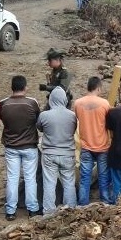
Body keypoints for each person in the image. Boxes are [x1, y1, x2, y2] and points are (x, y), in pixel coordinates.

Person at [0, 75, 42, 220]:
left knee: (12, 178)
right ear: (25, 87)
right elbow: (38, 120)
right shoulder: (32, 103)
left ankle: (10, 211)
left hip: (11, 146)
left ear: (12, 87)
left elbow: (3, 119)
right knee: (30, 178)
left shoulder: (3, 104)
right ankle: (33, 209)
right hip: (29, 146)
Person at [37, 87, 78, 215]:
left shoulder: (44, 115)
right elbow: (73, 129)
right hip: (68, 154)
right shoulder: (72, 115)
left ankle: (49, 212)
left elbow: (39, 127)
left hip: (49, 154)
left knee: (49, 183)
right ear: (65, 100)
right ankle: (70, 210)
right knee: (69, 183)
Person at [73, 77, 112, 205]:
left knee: (85, 177)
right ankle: (105, 202)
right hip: (103, 146)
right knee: (103, 176)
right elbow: (109, 122)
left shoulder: (78, 103)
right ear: (99, 88)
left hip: (86, 146)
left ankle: (83, 204)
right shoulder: (105, 104)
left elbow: (78, 120)